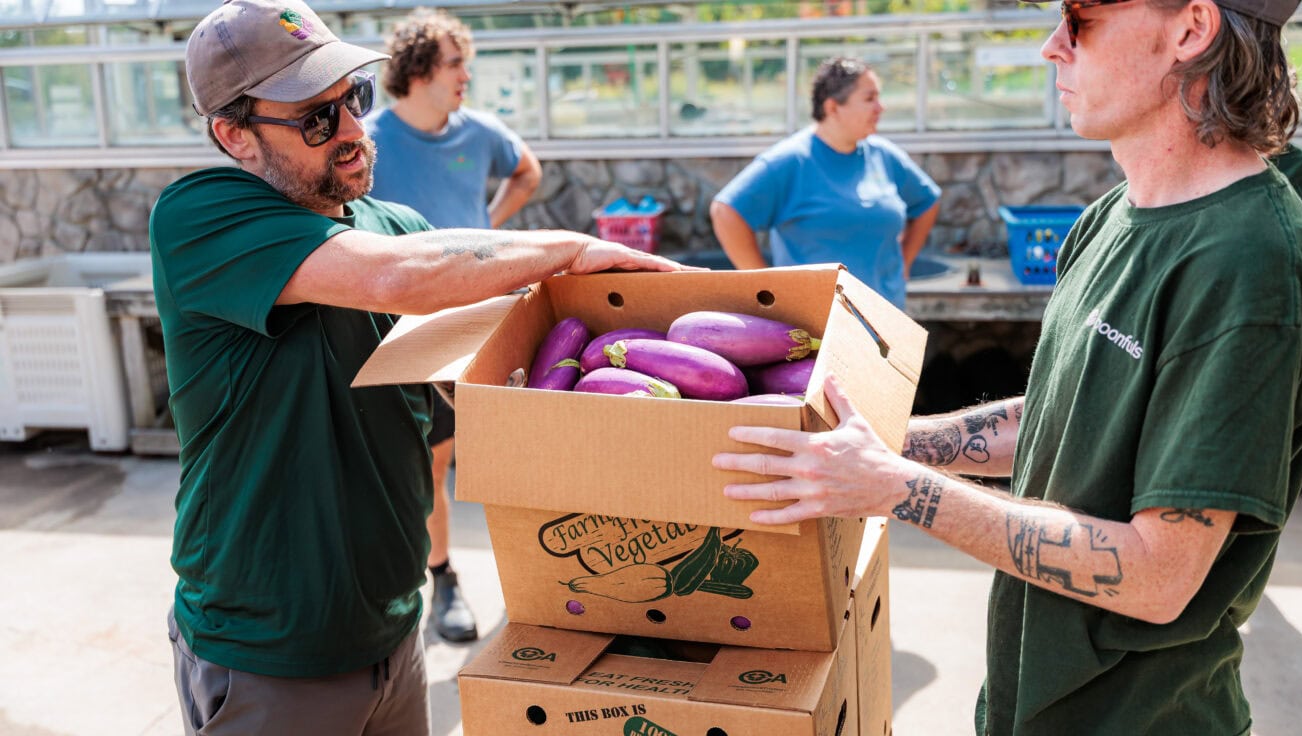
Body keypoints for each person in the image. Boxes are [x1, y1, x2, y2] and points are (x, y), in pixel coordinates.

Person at [713, 2, 1302, 734]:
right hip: (1030, 700)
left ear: (1190, 30)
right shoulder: (1115, 214)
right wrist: (891, 442)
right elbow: (1068, 412)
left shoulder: (1247, 264)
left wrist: (899, 488)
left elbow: (1157, 576)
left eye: (1080, 19)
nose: (1051, 47)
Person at [152, 1, 682, 732]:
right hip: (267, 650)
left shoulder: (396, 227)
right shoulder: (201, 217)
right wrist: (566, 248)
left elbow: (492, 377)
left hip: (393, 631)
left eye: (353, 100)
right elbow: (397, 279)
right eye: (314, 119)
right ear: (234, 135)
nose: (349, 131)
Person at [363, 8, 543, 645]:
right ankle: (444, 579)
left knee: (522, 458)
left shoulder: (481, 133)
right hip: (412, 332)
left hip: (487, 318)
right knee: (432, 464)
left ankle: (546, 581)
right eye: (455, 63)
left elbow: (529, 170)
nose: (467, 74)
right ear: (416, 71)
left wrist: (489, 226)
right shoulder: (367, 139)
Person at [709, 56, 941, 308]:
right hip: (815, 328)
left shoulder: (884, 155)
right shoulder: (790, 161)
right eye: (869, 98)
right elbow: (725, 212)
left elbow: (928, 201)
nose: (880, 107)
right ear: (832, 108)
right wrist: (764, 287)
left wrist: (905, 262)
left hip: (888, 320)